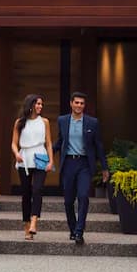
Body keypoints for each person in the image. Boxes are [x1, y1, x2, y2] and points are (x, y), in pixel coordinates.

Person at [53, 92, 110, 245]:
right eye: (76, 102)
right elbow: (60, 141)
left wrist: (104, 168)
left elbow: (98, 145)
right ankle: (72, 229)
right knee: (68, 201)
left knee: (83, 196)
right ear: (71, 103)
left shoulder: (92, 122)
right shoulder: (63, 121)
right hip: (69, 164)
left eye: (82, 103)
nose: (79, 106)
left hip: (85, 164)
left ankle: (79, 231)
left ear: (84, 106)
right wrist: (47, 155)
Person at [11, 94, 54, 240]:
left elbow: (48, 142)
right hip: (24, 157)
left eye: (42, 104)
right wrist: (16, 153)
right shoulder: (19, 122)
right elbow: (13, 143)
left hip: (40, 156)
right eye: (38, 104)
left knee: (38, 189)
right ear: (31, 105)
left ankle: (34, 221)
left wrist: (51, 161)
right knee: (26, 192)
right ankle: (26, 224)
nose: (40, 107)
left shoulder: (45, 122)